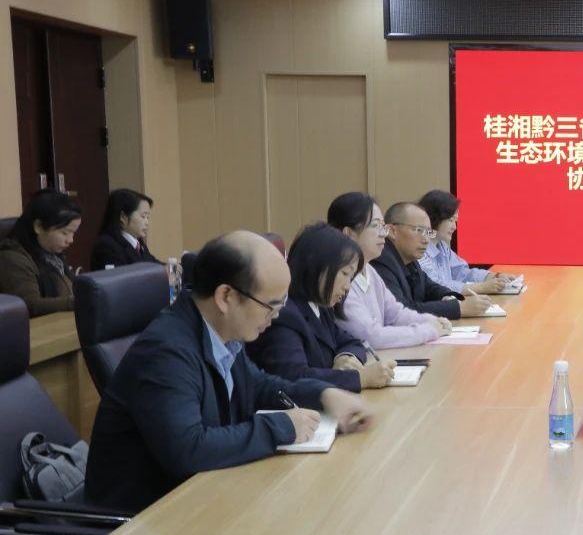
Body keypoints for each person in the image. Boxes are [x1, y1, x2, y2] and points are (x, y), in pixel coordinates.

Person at [85, 231, 374, 512]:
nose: (275, 317)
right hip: (144, 519)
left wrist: (325, 394)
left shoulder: (221, 333)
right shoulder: (166, 353)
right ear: (225, 296)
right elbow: (188, 449)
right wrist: (282, 427)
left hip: (203, 497)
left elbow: (259, 386)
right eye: (271, 306)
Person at [249, 223, 396, 392]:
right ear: (317, 267)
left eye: (351, 277)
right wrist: (361, 378)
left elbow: (352, 341)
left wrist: (345, 357)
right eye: (345, 274)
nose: (347, 286)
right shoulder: (284, 315)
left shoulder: (320, 306)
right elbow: (293, 377)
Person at [328, 192, 449, 349]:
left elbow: (396, 314)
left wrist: (431, 320)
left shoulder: (369, 270)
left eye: (382, 226)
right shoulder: (338, 279)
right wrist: (429, 330)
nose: (383, 234)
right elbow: (372, 336)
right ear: (349, 233)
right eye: (375, 226)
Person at [373, 202, 493, 319]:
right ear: (392, 231)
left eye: (428, 232)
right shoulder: (382, 262)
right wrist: (459, 308)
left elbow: (430, 288)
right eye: (419, 230)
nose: (426, 240)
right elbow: (402, 311)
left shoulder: (409, 259)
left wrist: (449, 297)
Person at [417, 190, 516, 294]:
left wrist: (495, 277)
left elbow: (462, 273)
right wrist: (481, 287)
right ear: (434, 218)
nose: (454, 227)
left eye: (455, 221)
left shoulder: (441, 246)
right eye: (451, 220)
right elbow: (435, 285)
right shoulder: (419, 250)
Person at [0, 188, 80, 317]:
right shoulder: (13, 258)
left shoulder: (52, 254)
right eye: (65, 233)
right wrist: (79, 302)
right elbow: (29, 305)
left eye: (73, 233)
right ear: (38, 226)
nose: (70, 240)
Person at [90, 188, 160, 270]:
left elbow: (154, 264)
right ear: (123, 217)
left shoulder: (139, 244)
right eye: (143, 216)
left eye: (148, 217)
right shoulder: (107, 246)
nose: (147, 223)